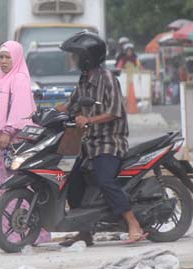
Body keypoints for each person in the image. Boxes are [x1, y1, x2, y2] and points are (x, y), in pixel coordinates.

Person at [55, 30, 146, 246]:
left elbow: (115, 111)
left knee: (105, 181)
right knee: (72, 182)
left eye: (76, 56)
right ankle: (85, 232)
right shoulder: (84, 78)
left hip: (109, 142)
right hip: (89, 144)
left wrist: (88, 120)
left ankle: (134, 224)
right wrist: (55, 111)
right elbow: (72, 103)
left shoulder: (107, 78)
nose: (73, 60)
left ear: (87, 57)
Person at [0, 40, 50, 245]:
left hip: (15, 140)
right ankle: (11, 230)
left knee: (17, 185)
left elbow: (20, 111)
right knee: (5, 187)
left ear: (17, 58)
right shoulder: (5, 79)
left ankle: (27, 232)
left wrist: (7, 131)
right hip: (6, 140)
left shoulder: (20, 79)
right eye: (1, 57)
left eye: (8, 57)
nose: (4, 61)